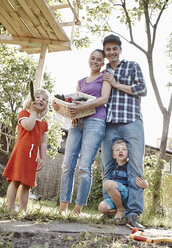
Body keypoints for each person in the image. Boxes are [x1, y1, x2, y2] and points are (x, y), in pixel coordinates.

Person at [53, 49, 112, 215]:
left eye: (99, 59)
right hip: (78, 123)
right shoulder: (81, 82)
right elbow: (72, 102)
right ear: (89, 60)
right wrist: (67, 109)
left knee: (84, 167)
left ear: (102, 62)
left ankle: (77, 209)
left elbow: (104, 99)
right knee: (67, 165)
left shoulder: (104, 77)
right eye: (92, 58)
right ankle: (63, 208)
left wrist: (83, 107)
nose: (95, 61)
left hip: (96, 121)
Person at [101, 34, 147, 230]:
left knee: (135, 167)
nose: (111, 52)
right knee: (107, 167)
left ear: (120, 49)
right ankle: (112, 207)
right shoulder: (104, 72)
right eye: (108, 49)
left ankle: (133, 213)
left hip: (131, 121)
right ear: (105, 52)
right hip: (110, 124)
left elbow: (142, 89)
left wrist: (116, 84)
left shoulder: (132, 65)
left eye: (114, 48)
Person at [2, 88, 49, 212]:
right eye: (38, 97)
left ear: (45, 106)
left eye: (44, 99)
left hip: (32, 155)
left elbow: (43, 143)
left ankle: (23, 210)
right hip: (21, 152)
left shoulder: (44, 124)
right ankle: (9, 208)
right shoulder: (24, 114)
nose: (40, 100)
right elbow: (29, 126)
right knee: (16, 180)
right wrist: (33, 112)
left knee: (27, 184)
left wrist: (43, 158)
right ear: (30, 101)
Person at [98, 139, 148, 220]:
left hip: (125, 195)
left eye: (124, 149)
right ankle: (122, 211)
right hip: (115, 198)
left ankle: (120, 211)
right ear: (114, 155)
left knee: (108, 183)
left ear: (128, 154)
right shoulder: (113, 167)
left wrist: (145, 185)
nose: (120, 151)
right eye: (117, 150)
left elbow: (141, 180)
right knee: (102, 207)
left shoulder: (130, 166)